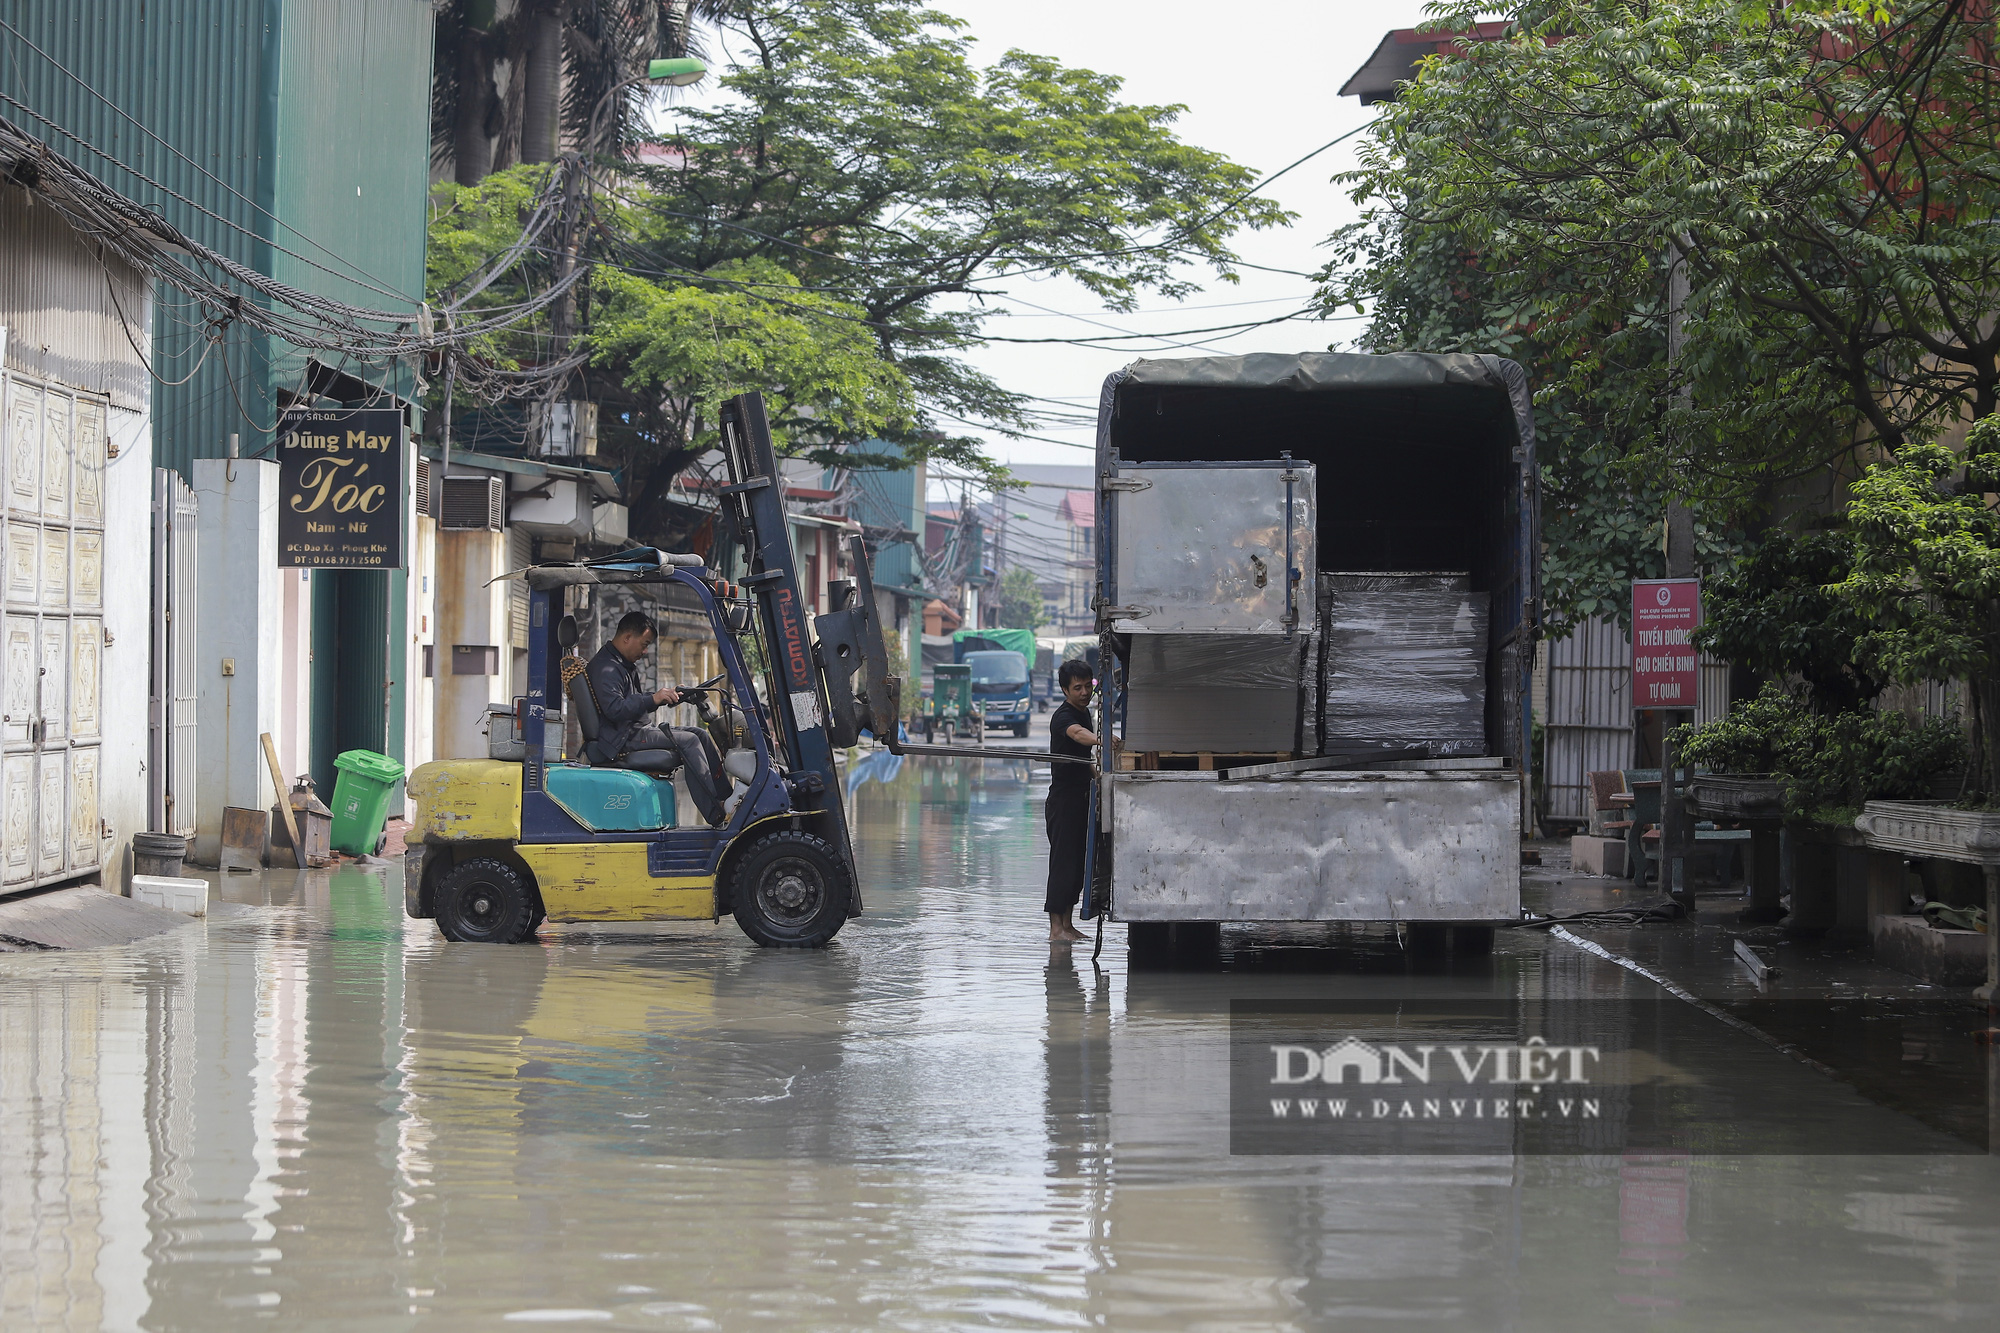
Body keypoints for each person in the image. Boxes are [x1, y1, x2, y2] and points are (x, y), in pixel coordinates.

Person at [585, 610, 727, 824]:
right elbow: (615, 709)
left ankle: (727, 798)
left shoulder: (620, 664)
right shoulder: (607, 668)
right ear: (627, 638)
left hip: (634, 731)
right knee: (689, 742)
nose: (645, 651)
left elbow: (631, 702)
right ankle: (716, 814)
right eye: (644, 644)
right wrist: (653, 699)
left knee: (700, 734)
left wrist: (667, 697)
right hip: (623, 739)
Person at [1044, 659, 1102, 943]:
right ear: (1065, 690)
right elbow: (1077, 736)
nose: (1083, 692)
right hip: (1064, 802)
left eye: (1087, 686)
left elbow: (1084, 761)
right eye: (1076, 688)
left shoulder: (1085, 713)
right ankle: (1056, 929)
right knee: (1062, 864)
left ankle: (1067, 925)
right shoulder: (1064, 716)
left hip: (1082, 799)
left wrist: (1098, 780)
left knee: (1077, 865)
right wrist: (1101, 740)